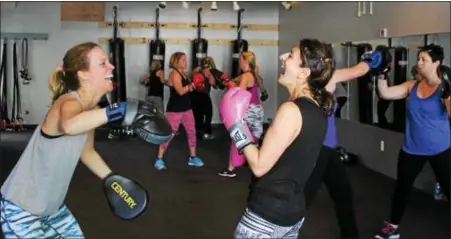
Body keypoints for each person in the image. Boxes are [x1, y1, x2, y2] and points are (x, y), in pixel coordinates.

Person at [0, 42, 155, 238]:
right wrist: (119, 110)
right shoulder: (67, 101)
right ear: (83, 74)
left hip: (52, 207)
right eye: (102, 63)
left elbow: (87, 152)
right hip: (22, 208)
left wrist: (113, 180)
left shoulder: (89, 111)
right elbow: (70, 125)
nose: (111, 66)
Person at [219, 38, 337, 238]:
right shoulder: (318, 109)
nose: (282, 57)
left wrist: (236, 126)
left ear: (303, 73)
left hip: (266, 216)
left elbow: (258, 165)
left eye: (290, 55)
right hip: (292, 212)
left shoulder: (291, 110)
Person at [302, 45, 391, 239]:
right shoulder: (326, 79)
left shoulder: (308, 81)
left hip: (328, 150)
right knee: (303, 198)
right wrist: (373, 59)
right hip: (319, 150)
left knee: (343, 194)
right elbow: (359, 70)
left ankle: (350, 235)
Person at [374, 44, 450, 239]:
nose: (419, 63)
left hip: (440, 149)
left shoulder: (443, 87)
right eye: (419, 59)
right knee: (401, 189)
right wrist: (382, 73)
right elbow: (386, 93)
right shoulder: (412, 85)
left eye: (424, 59)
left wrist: (448, 95)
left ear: (436, 63)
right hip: (412, 148)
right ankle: (392, 228)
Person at [154, 52, 204, 170]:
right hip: (175, 110)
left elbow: (176, 85)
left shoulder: (183, 74)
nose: (186, 62)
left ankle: (192, 157)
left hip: (187, 108)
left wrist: (164, 81)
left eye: (186, 60)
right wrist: (192, 85)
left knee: (192, 132)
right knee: (170, 134)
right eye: (183, 60)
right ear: (175, 62)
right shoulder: (175, 73)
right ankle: (159, 159)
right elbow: (181, 91)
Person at [218, 51, 265, 178]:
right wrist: (228, 81)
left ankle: (230, 169)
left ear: (244, 61)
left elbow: (239, 95)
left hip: (247, 110)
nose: (239, 62)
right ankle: (259, 167)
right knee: (254, 139)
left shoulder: (246, 76)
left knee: (238, 135)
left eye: (240, 59)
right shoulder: (254, 74)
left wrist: (231, 86)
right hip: (257, 109)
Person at [191, 57, 218, 140]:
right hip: (202, 95)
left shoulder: (198, 70)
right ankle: (206, 133)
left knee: (198, 115)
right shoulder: (209, 71)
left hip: (194, 95)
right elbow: (215, 86)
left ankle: (199, 133)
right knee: (208, 114)